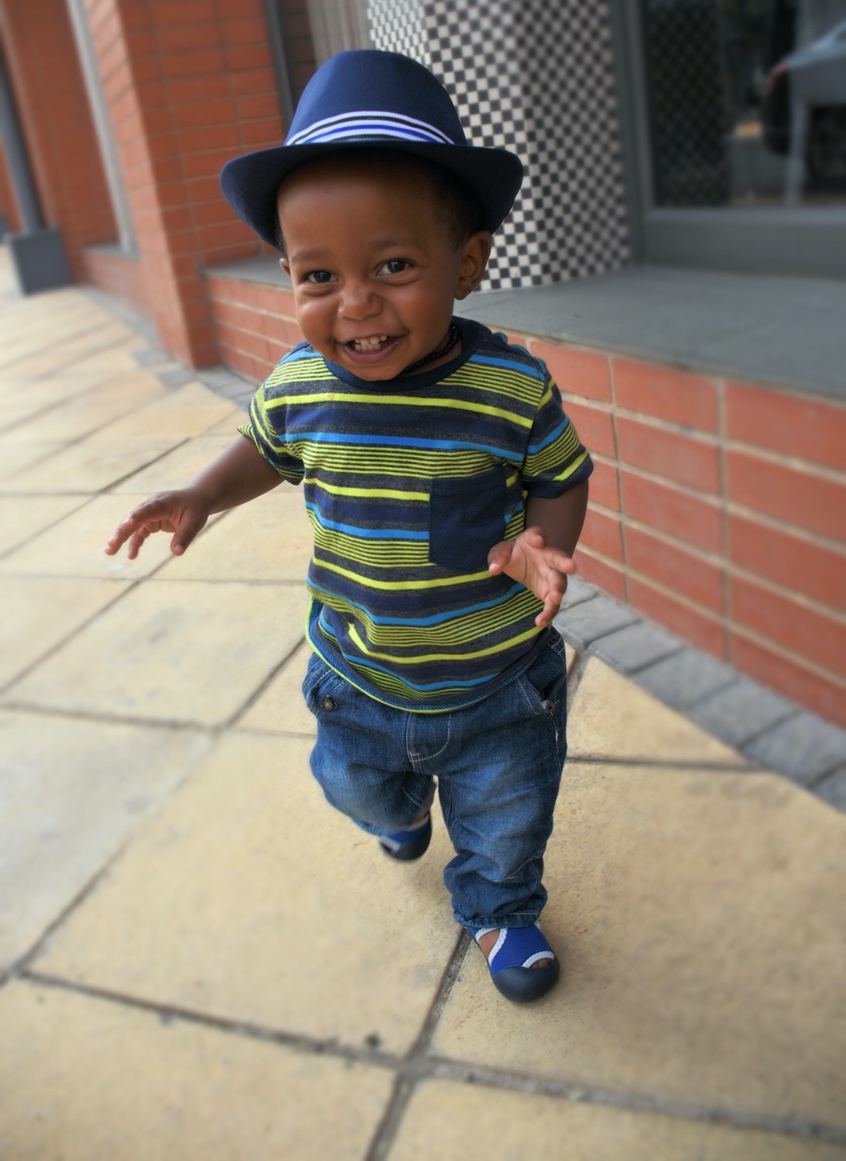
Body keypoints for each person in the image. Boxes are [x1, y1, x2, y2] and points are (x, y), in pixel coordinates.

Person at [105, 50, 592, 1003]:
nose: (356, 302)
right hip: (358, 673)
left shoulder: (510, 387)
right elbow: (265, 447)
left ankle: (499, 906)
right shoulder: (299, 385)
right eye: (318, 274)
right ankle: (398, 807)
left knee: (507, 815)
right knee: (360, 790)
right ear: (286, 273)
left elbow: (563, 471)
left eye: (394, 265)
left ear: (468, 261)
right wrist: (205, 492)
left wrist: (544, 536)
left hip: (495, 681)